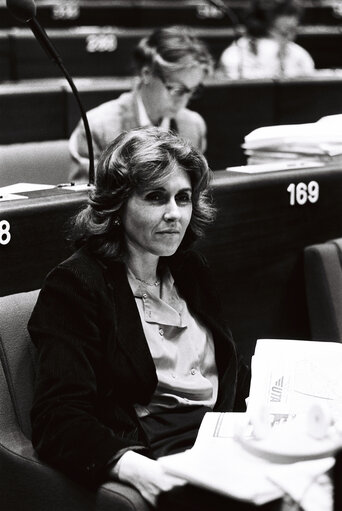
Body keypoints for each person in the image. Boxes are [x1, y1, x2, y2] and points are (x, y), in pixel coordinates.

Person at [28, 127, 252, 510]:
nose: (174, 214)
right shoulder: (76, 285)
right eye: (155, 197)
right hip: (163, 453)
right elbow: (58, 418)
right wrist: (134, 468)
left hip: (223, 443)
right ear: (118, 206)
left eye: (184, 198)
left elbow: (228, 370)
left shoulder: (188, 268)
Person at [69, 26, 213, 183]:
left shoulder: (193, 127)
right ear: (147, 74)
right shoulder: (97, 127)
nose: (183, 101)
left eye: (191, 91)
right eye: (177, 89)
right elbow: (84, 200)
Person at [218, 0, 315, 80]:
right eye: (286, 15)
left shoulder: (298, 53)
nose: (294, 22)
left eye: (295, 17)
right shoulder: (235, 54)